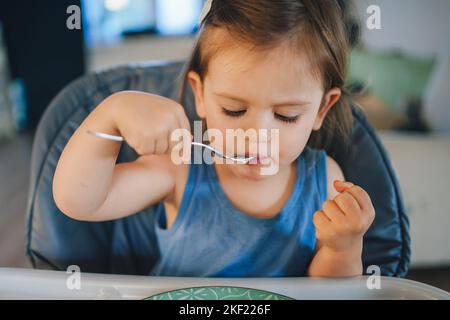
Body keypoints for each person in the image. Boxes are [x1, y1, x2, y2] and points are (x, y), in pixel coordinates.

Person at [53, 0, 375, 277]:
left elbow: (326, 293)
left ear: (322, 109)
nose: (257, 137)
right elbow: (79, 201)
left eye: (286, 115)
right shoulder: (180, 168)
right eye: (234, 110)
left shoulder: (324, 181)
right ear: (201, 95)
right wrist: (111, 113)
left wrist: (343, 246)